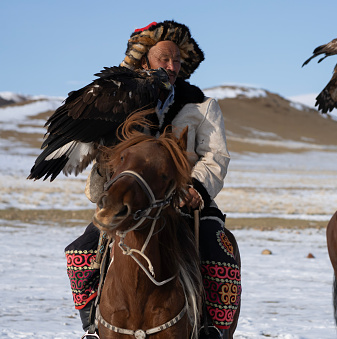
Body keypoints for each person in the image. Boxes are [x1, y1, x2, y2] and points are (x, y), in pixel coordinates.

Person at [65, 20, 240, 338]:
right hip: (132, 201)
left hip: (189, 204)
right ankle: (92, 323)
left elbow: (217, 156)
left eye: (177, 60)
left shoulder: (201, 107)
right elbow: (109, 154)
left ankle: (212, 330)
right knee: (81, 251)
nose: (172, 66)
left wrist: (195, 188)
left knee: (221, 256)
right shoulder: (124, 104)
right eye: (164, 59)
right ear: (145, 60)